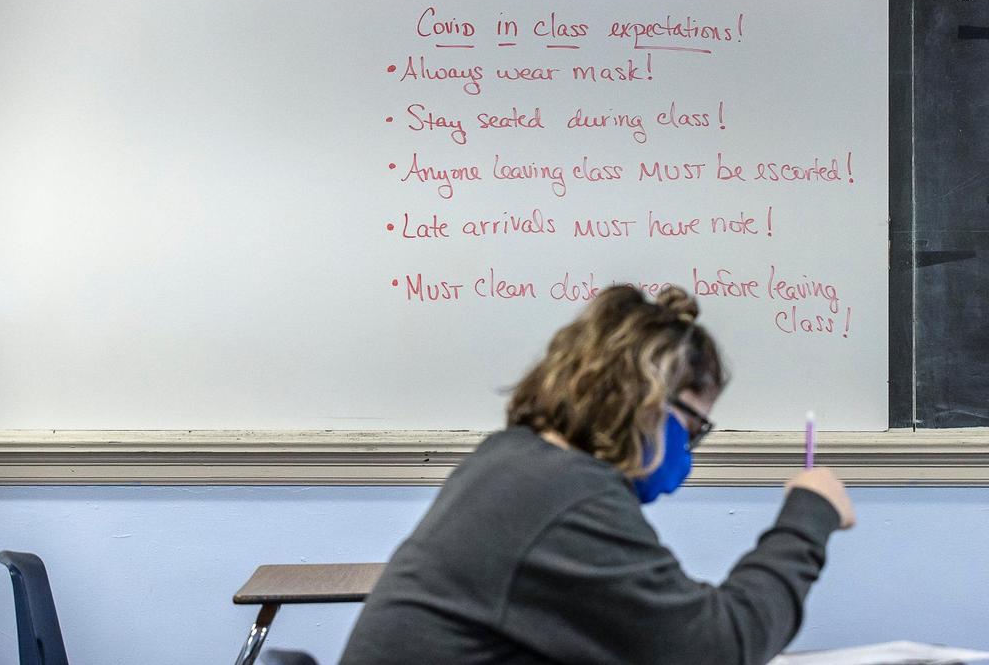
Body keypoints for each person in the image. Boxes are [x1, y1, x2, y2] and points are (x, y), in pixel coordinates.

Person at [340, 284, 855, 665]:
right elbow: (717, 649)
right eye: (693, 426)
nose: (690, 448)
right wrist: (808, 516)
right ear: (646, 399)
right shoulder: (565, 497)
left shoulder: (513, 463)